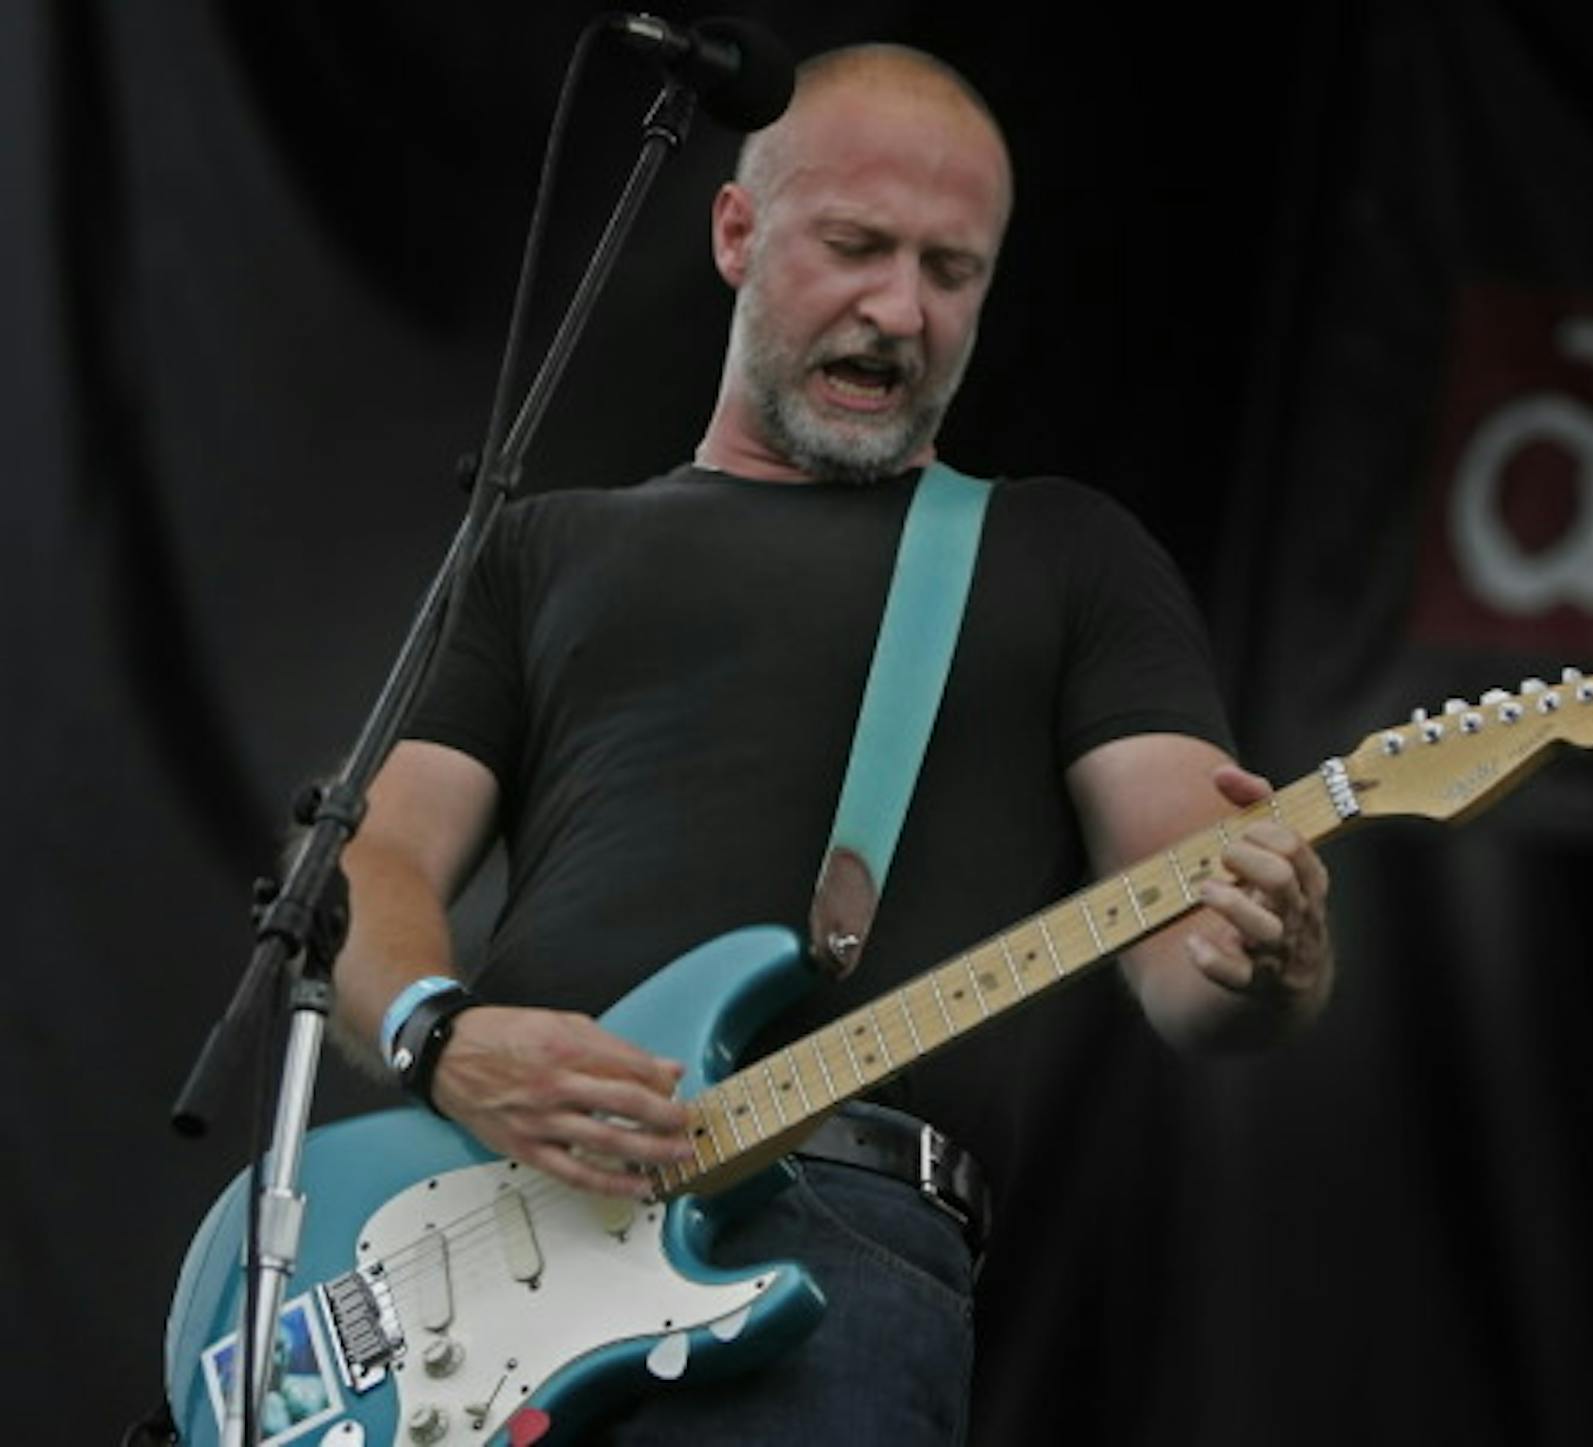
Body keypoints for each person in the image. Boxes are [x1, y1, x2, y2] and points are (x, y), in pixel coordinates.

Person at [334, 42, 1335, 1444]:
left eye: (951, 270)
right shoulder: (541, 547)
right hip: (481, 1250)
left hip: (830, 1247)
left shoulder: (1061, 554)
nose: (899, 311)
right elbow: (369, 858)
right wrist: (438, 1036)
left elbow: (1194, 943)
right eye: (857, 248)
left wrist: (1268, 954)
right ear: (737, 232)